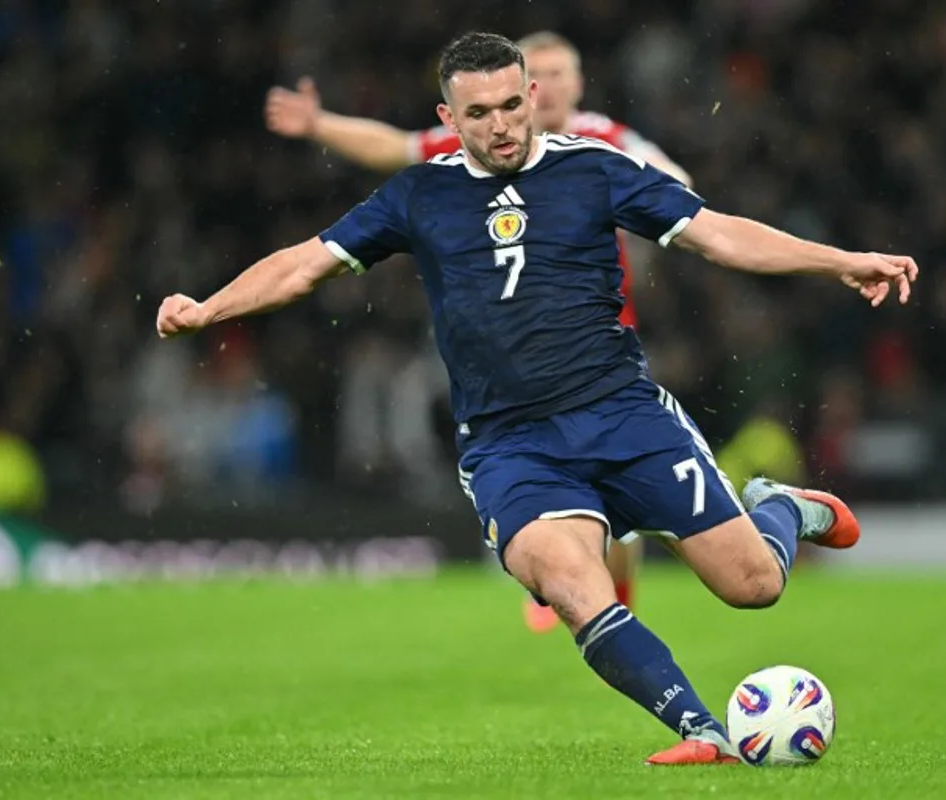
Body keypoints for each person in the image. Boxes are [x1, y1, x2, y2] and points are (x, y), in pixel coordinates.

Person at [160, 32, 917, 765]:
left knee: (753, 587)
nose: (500, 125)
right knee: (570, 583)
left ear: (532, 96)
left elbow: (717, 235)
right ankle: (705, 731)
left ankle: (782, 506)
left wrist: (840, 261)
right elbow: (303, 265)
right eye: (478, 114)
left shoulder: (596, 168)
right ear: (449, 121)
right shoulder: (419, 193)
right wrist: (207, 309)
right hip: (510, 445)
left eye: (511, 105)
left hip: (624, 415)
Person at [264, 31, 692, 633]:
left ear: (567, 84)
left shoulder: (607, 141)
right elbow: (396, 147)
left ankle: (609, 579)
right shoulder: (479, 142)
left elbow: (678, 186)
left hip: (597, 337)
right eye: (537, 67)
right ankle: (571, 571)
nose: (546, 86)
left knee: (615, 471)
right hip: (507, 338)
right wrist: (320, 124)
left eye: (557, 72)